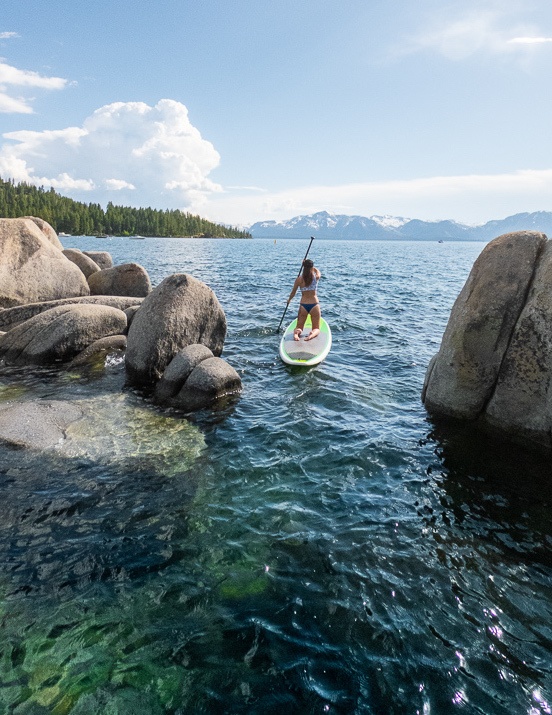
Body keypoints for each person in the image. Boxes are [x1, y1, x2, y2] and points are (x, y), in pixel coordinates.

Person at [287, 258, 322, 341]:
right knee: (316, 328)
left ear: (303, 267)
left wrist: (289, 300)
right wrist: (312, 267)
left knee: (299, 327)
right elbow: (318, 272)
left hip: (303, 305)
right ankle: (311, 335)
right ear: (311, 267)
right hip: (314, 304)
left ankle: (296, 334)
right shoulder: (315, 277)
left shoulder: (299, 279)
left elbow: (293, 292)